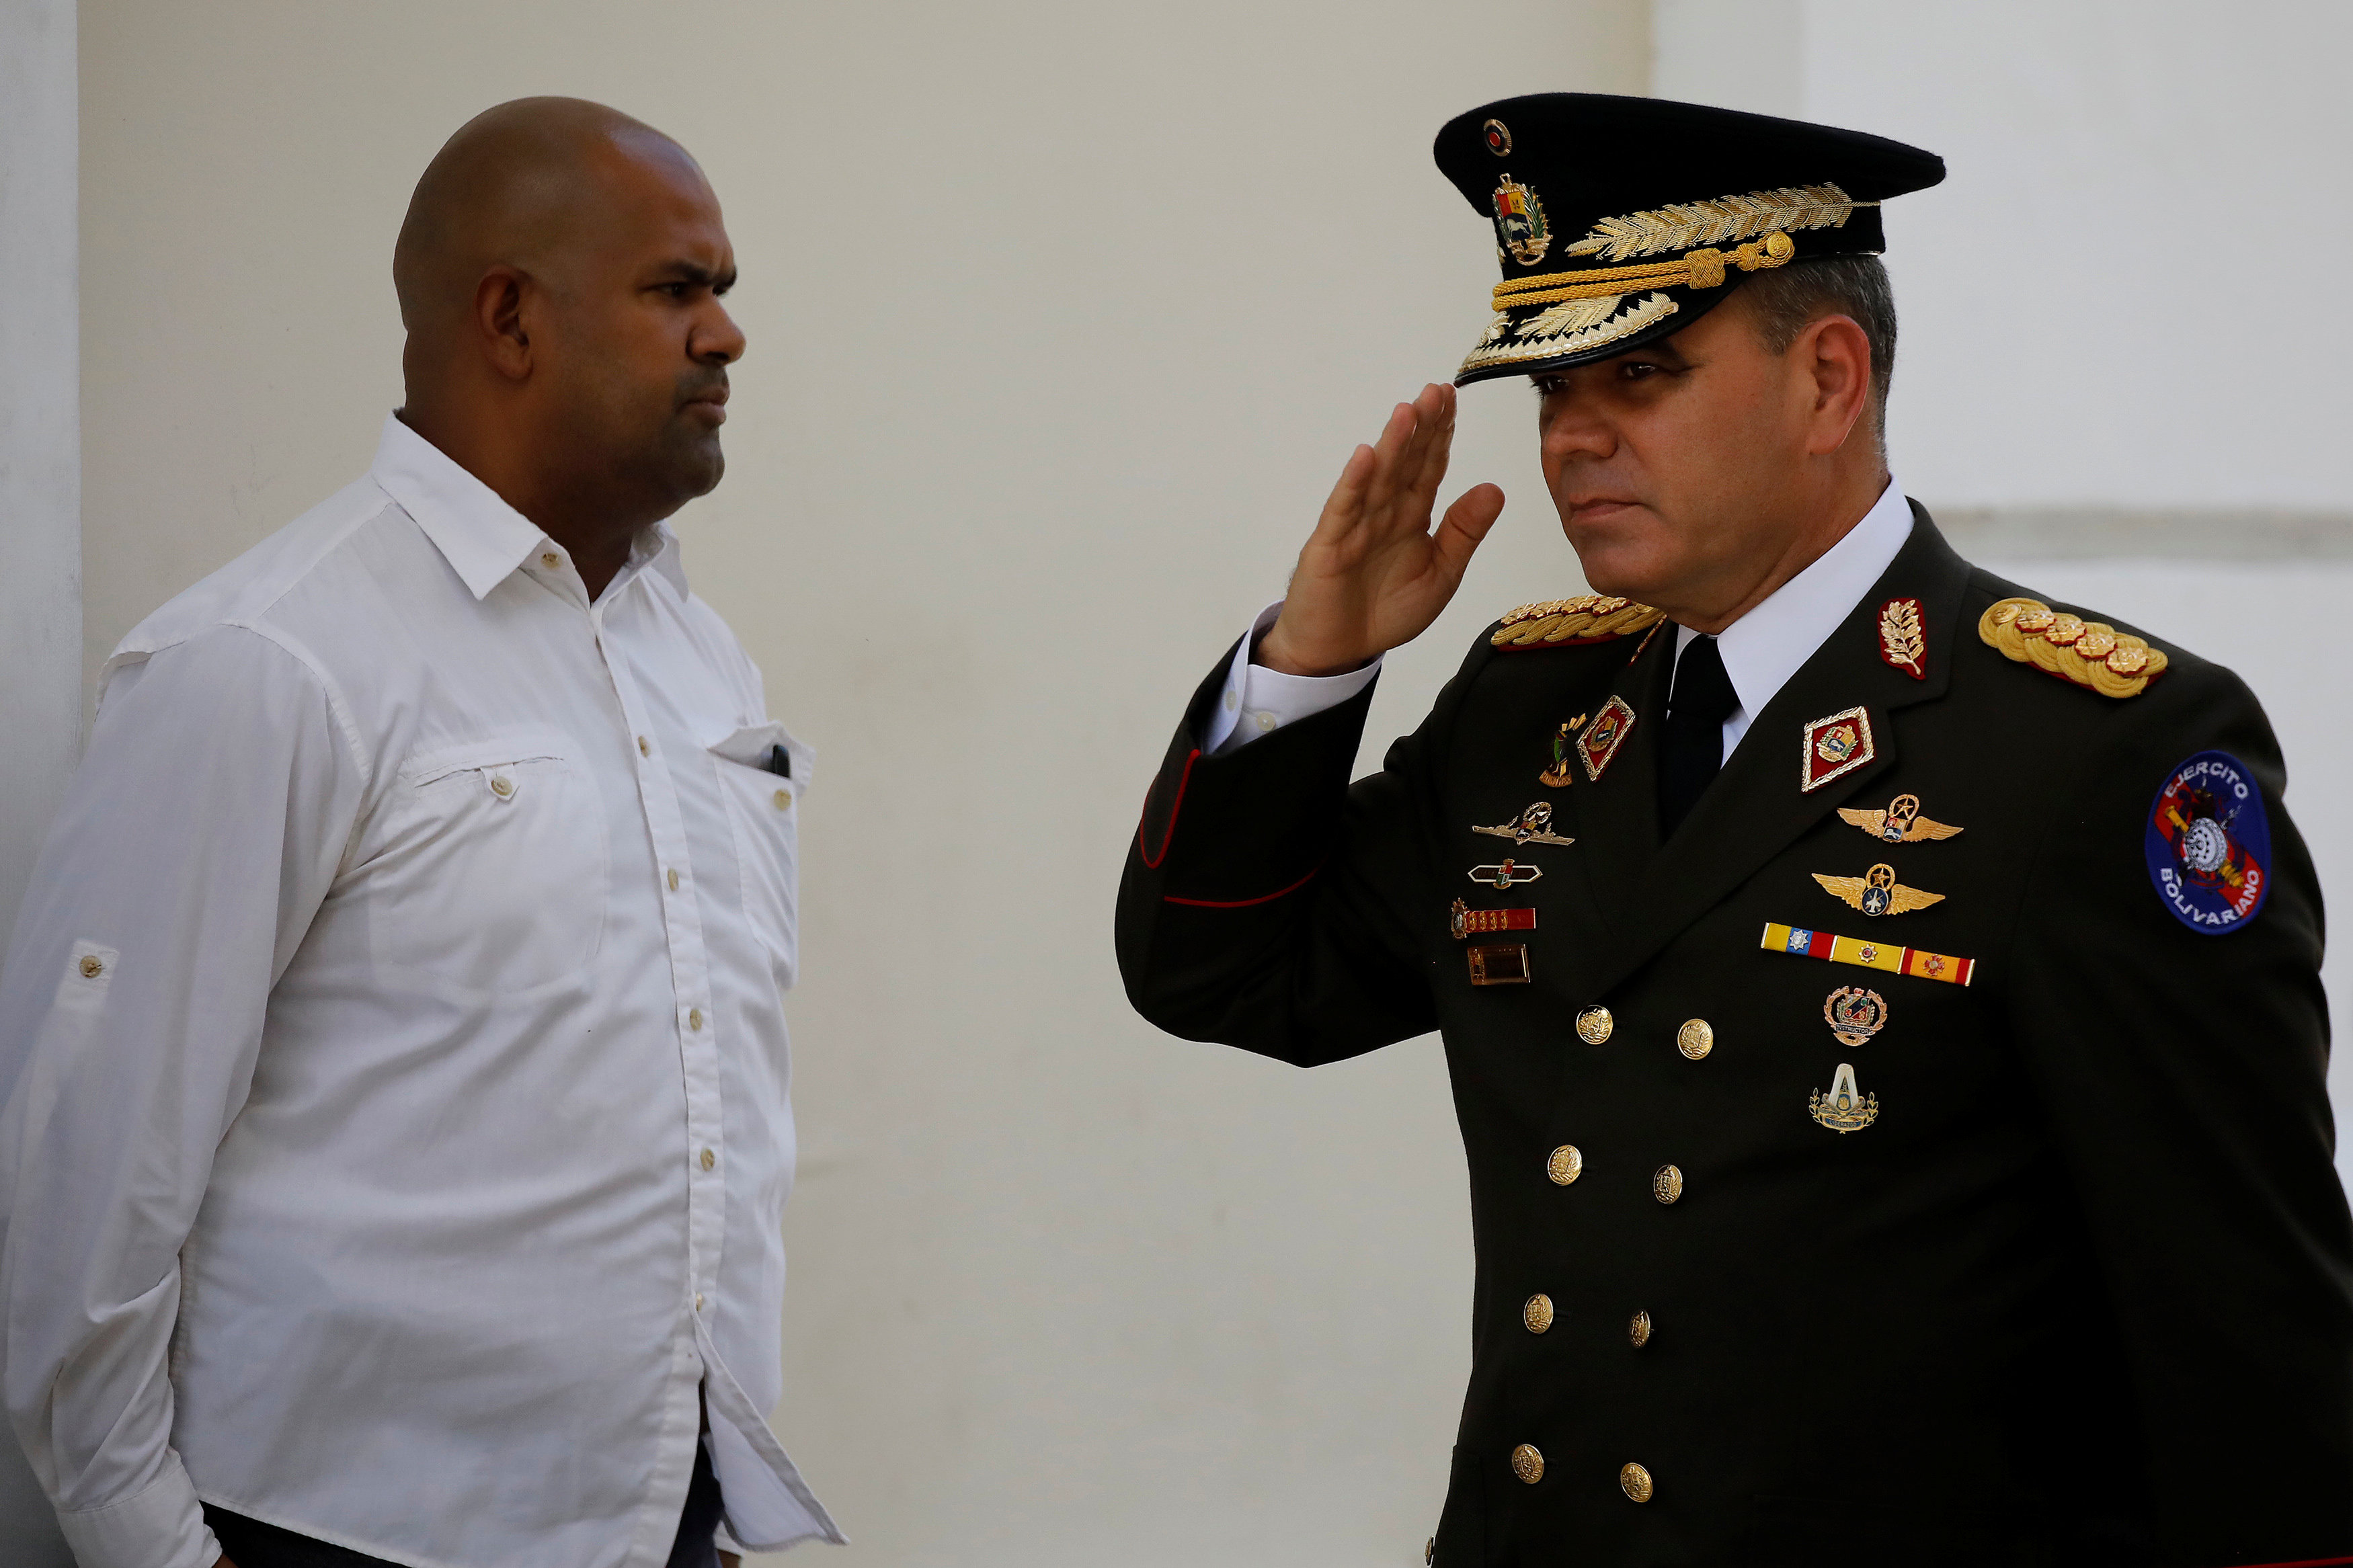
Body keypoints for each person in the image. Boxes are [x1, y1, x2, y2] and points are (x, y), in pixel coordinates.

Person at [1115, 92, 2353, 1564]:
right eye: (1550, 389)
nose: (1574, 437)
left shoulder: (2095, 745)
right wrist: (1310, 671)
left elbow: (2240, 1324)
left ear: (1828, 380)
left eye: (1638, 374)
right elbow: (1228, 975)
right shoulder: (1535, 703)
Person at [0, 98, 843, 1568]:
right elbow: (81, 1166)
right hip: (339, 1531)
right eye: (676, 290)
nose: (726, 337)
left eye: (722, 294)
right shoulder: (272, 661)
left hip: (665, 1519)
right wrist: (148, 1547)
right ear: (508, 317)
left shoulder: (698, 658)